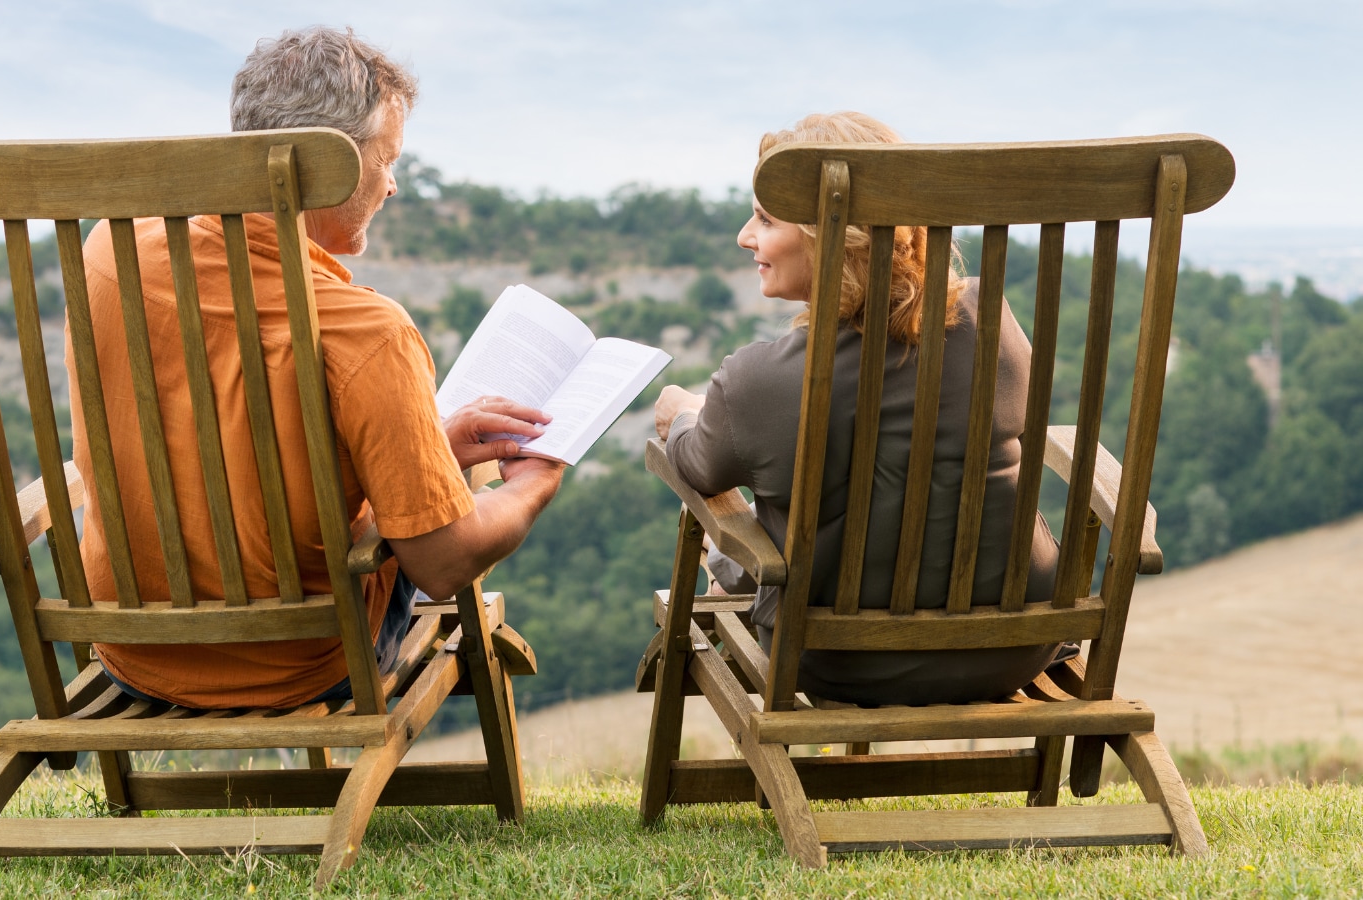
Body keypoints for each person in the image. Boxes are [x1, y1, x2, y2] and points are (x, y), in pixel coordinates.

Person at [68, 27, 564, 710]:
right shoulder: (365, 331)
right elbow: (444, 563)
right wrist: (533, 485)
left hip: (134, 649)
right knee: (443, 535)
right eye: (387, 160)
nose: (391, 186)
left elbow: (229, 441)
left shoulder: (112, 254)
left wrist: (427, 448)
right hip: (301, 660)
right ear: (332, 165)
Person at [653, 111, 1067, 707]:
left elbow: (697, 467)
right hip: (1016, 648)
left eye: (766, 219)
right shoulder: (988, 321)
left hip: (838, 661)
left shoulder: (756, 383)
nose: (746, 237)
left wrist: (683, 414)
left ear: (829, 235)